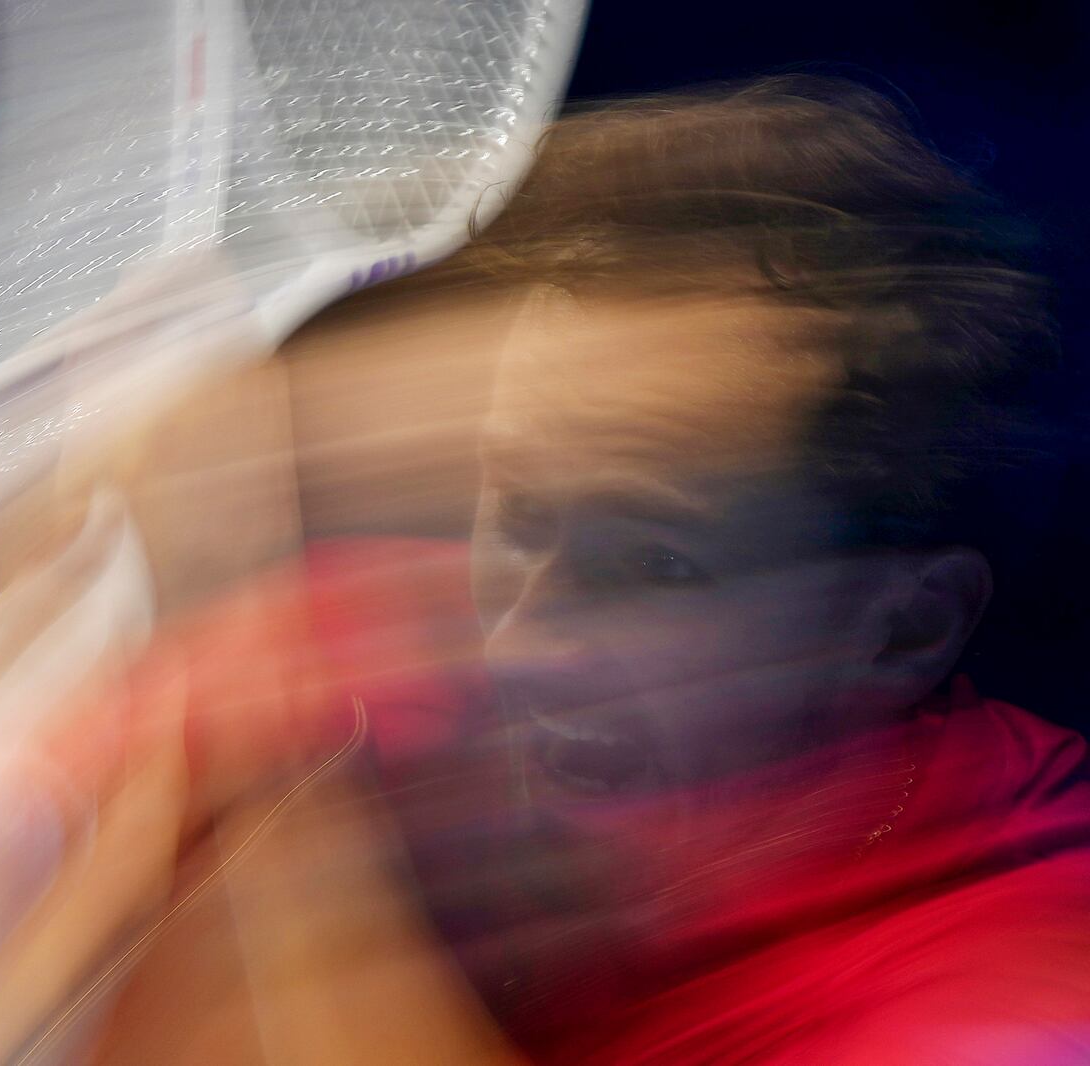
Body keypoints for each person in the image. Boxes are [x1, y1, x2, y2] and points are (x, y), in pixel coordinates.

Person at [78, 76, 1090, 1064]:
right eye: (514, 512)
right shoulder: (392, 628)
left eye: (651, 562)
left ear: (900, 630)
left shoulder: (1026, 994)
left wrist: (264, 787)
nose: (513, 647)